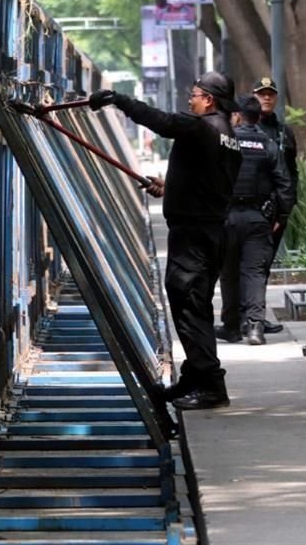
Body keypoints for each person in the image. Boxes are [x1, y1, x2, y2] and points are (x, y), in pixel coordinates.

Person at [89, 72, 242, 410]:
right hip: (209, 232)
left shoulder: (203, 127)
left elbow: (162, 122)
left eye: (195, 94)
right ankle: (194, 376)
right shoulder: (229, 136)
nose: (190, 100)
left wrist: (119, 100)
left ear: (210, 99)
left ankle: (211, 385)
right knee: (194, 305)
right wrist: (169, 187)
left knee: (189, 306)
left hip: (194, 236)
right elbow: (208, 183)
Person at [217, 96, 295, 346]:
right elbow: (285, 184)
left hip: (226, 218)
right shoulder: (269, 144)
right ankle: (255, 329)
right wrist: (280, 217)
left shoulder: (226, 141)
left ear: (237, 115)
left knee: (228, 272)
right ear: (256, 116)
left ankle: (231, 327)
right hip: (258, 218)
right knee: (255, 273)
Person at [251, 77, 299, 334]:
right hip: (252, 209)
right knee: (252, 266)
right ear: (254, 97)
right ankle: (249, 317)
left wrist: (287, 208)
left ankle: (255, 317)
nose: (266, 98)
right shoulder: (246, 131)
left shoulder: (284, 132)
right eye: (261, 94)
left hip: (277, 212)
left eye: (270, 94)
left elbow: (292, 172)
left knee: (264, 266)